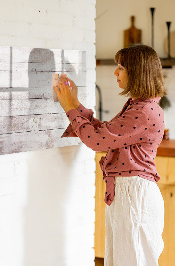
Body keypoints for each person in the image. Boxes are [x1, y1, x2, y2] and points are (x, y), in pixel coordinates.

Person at [54, 44, 166, 266]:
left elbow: (97, 141)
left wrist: (69, 107)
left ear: (137, 72)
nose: (115, 72)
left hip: (134, 195)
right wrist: (75, 103)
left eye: (121, 67)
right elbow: (105, 133)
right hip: (129, 193)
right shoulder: (139, 106)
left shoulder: (143, 111)